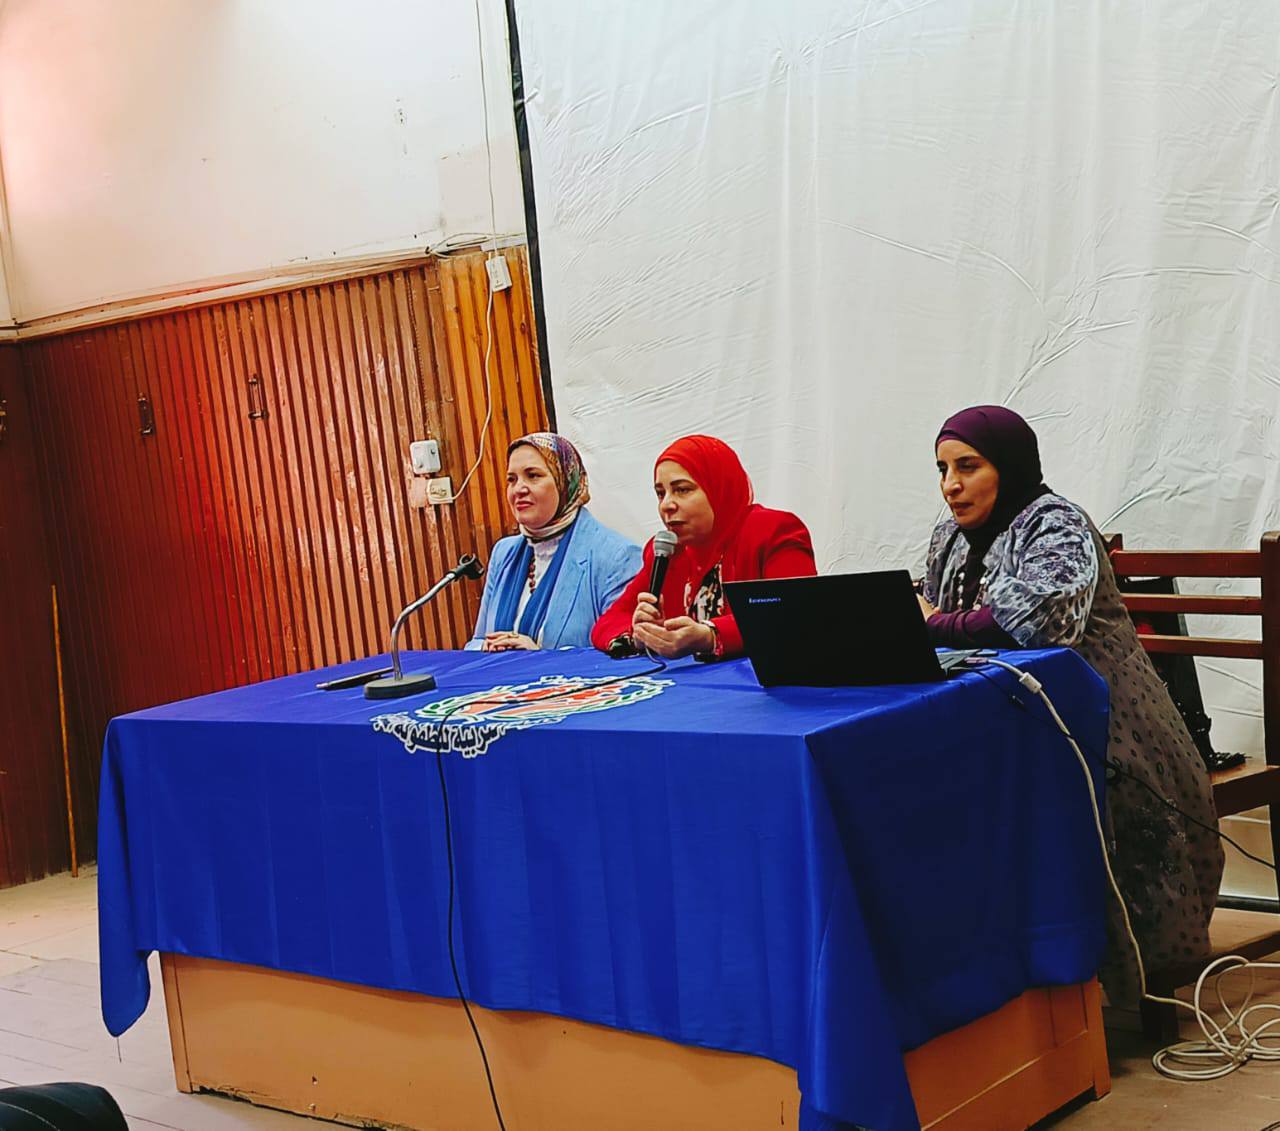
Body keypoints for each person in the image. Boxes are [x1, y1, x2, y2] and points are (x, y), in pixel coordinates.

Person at [918, 404, 1223, 1003]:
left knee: (1097, 811)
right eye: (943, 470)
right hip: (1001, 717)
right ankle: (1012, 993)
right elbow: (932, 614)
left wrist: (937, 624)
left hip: (1106, 720)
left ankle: (1122, 986)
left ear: (1008, 465)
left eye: (968, 466)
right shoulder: (948, 537)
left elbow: (1039, 624)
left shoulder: (1057, 524)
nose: (951, 485)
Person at [591, 434, 816, 660]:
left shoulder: (772, 532)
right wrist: (640, 634)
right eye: (660, 493)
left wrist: (710, 636)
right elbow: (607, 623)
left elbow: (793, 613)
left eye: (682, 490)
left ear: (718, 487)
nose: (666, 504)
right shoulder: (666, 552)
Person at [466, 433, 640, 651]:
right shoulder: (503, 553)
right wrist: (487, 647)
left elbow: (623, 654)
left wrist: (540, 657)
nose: (519, 489)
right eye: (512, 479)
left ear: (564, 480)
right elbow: (476, 642)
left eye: (533, 475)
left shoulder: (617, 556)